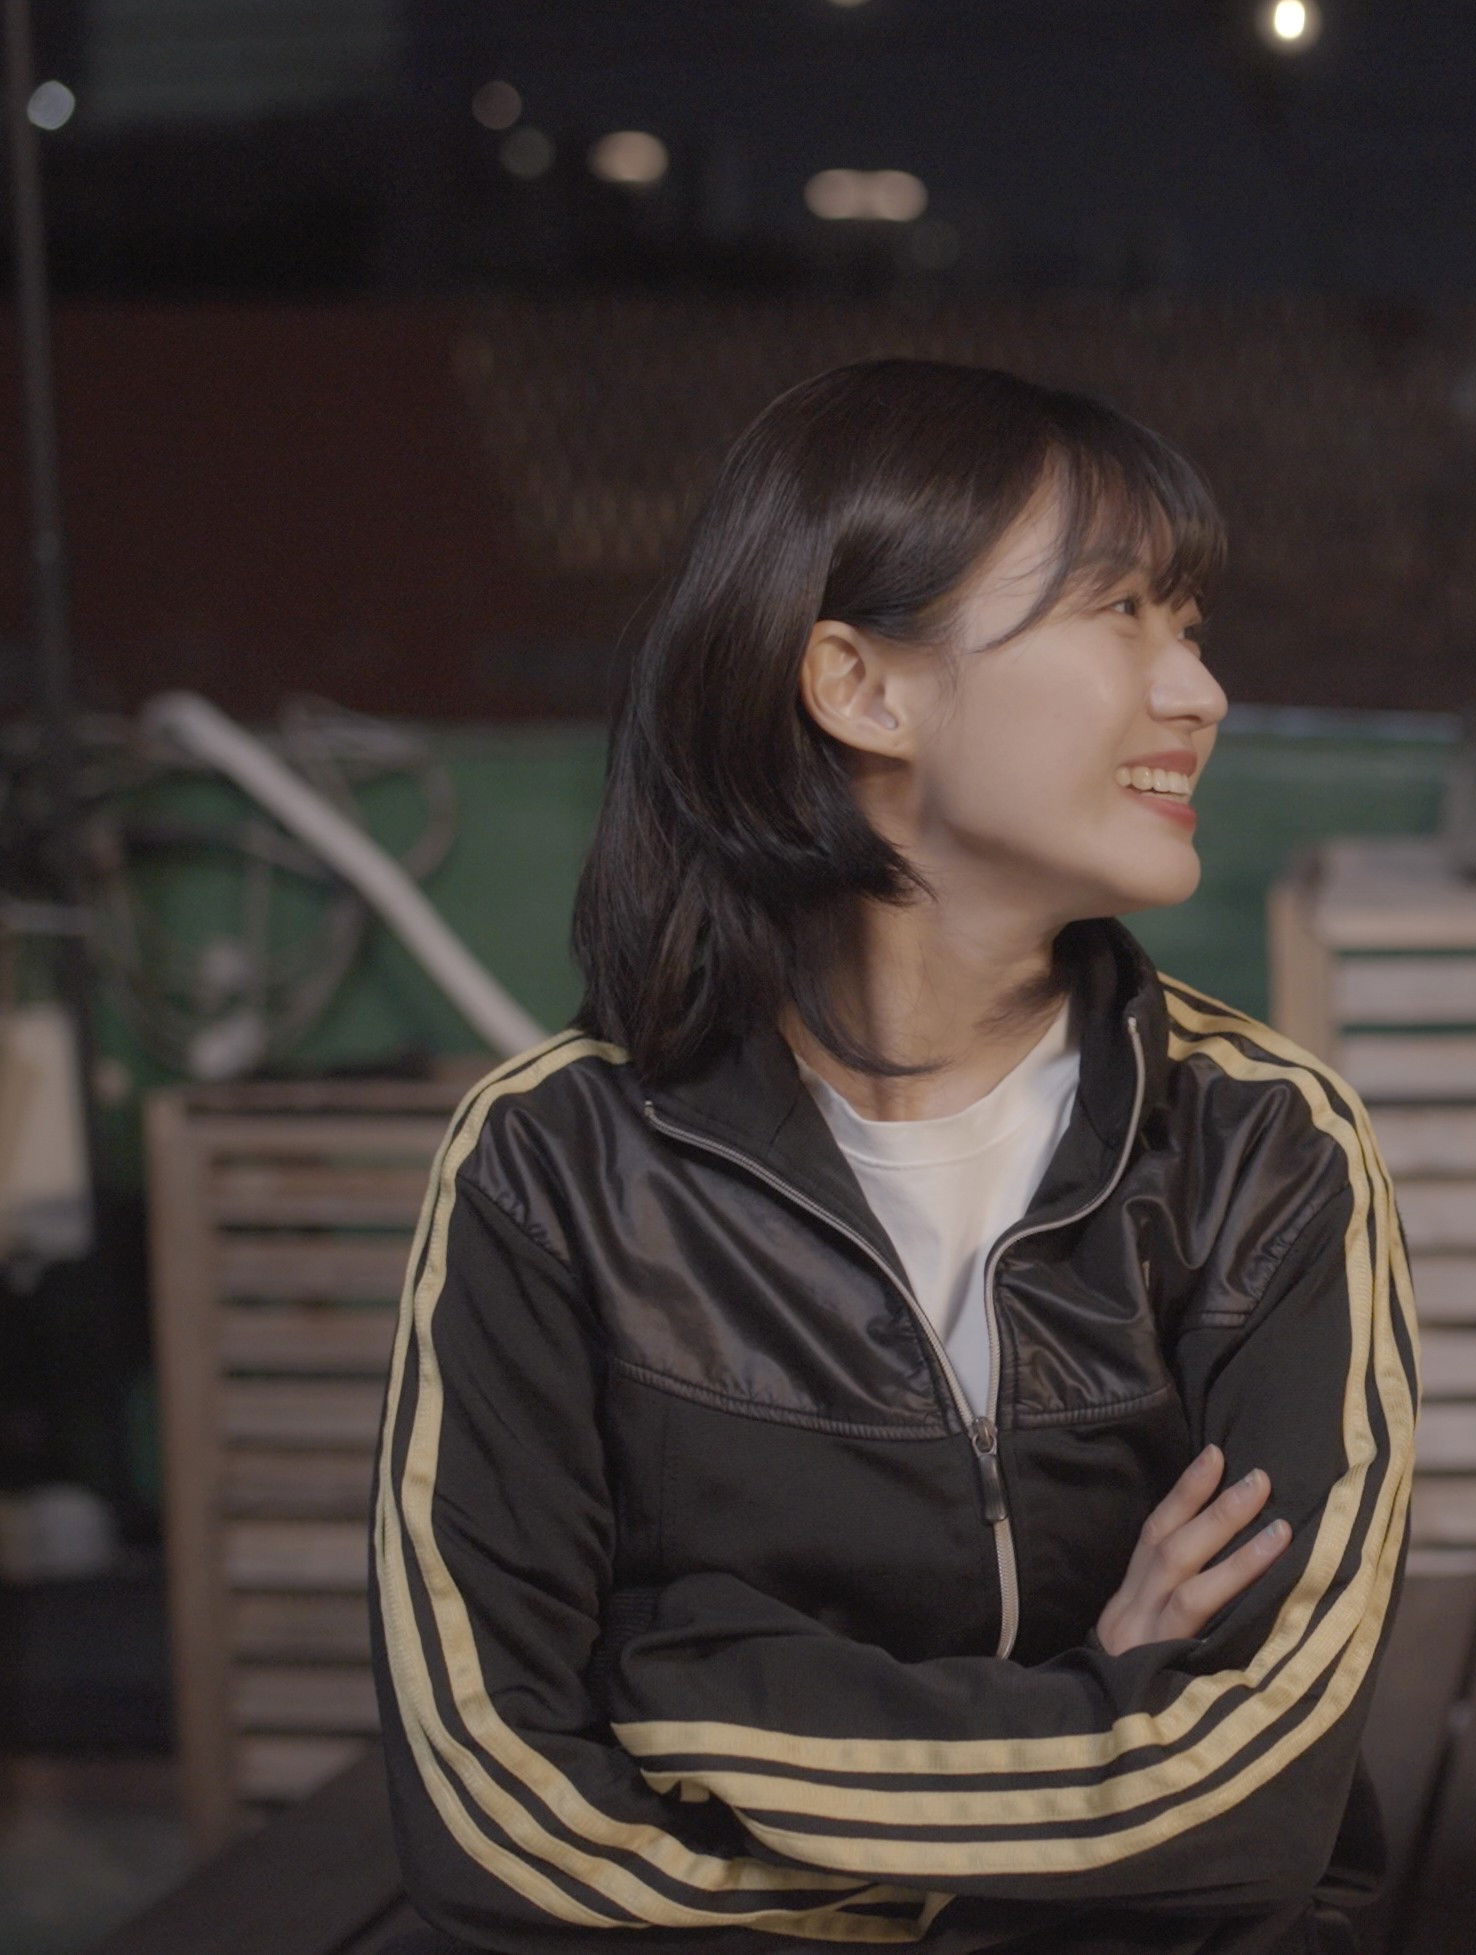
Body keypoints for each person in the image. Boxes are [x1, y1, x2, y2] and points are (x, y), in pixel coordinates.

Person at [370, 360, 1415, 1954]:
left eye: (1189, 625)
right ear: (861, 687)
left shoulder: (1263, 1152)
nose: (1200, 691)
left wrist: (691, 1687)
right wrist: (1099, 1712)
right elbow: (496, 1822)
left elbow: (1258, 1803)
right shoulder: (547, 1169)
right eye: (1120, 612)